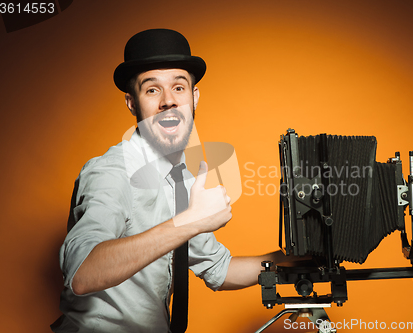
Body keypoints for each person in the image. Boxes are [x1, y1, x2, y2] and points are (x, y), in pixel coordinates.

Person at [51, 29, 284, 333]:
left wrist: (293, 260)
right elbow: (82, 275)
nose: (168, 102)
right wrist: (189, 222)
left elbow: (220, 269)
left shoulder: (180, 179)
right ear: (131, 103)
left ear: (194, 97)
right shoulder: (110, 172)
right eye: (152, 90)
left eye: (179, 87)